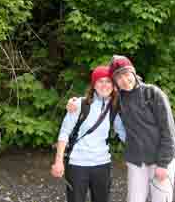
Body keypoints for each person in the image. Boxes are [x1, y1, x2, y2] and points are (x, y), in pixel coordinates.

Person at [67, 55, 175, 202]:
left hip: (161, 159)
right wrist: (74, 102)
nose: (125, 81)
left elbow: (169, 132)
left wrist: (163, 164)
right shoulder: (118, 99)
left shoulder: (153, 93)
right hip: (136, 161)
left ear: (133, 72)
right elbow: (97, 98)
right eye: (119, 78)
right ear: (115, 83)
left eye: (126, 74)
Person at [51, 65, 125, 202]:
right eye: (100, 81)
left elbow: (123, 134)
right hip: (77, 164)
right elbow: (64, 133)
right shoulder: (79, 104)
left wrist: (145, 151)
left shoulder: (114, 107)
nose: (104, 85)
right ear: (94, 85)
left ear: (113, 85)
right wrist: (58, 161)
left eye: (108, 81)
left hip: (102, 164)